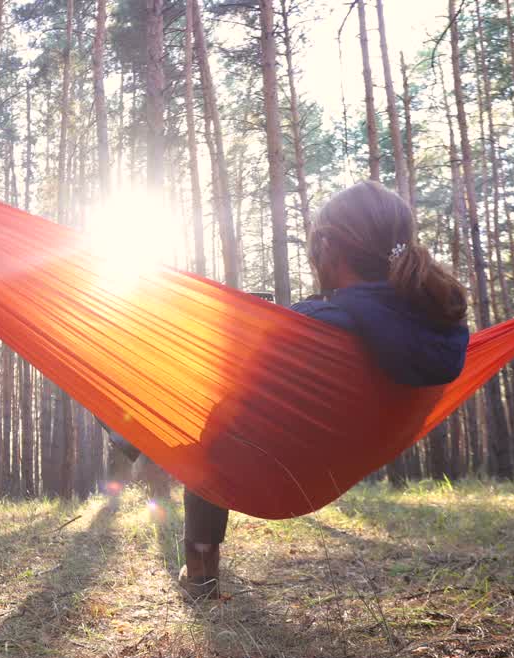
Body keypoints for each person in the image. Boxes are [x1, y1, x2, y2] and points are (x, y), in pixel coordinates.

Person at [112, 181, 471, 599]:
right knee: (211, 435)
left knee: (184, 411)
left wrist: (251, 335)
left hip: (266, 461)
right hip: (329, 462)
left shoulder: (321, 323)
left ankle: (195, 558)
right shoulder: (441, 325)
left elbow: (238, 404)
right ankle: (139, 447)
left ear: (327, 248)